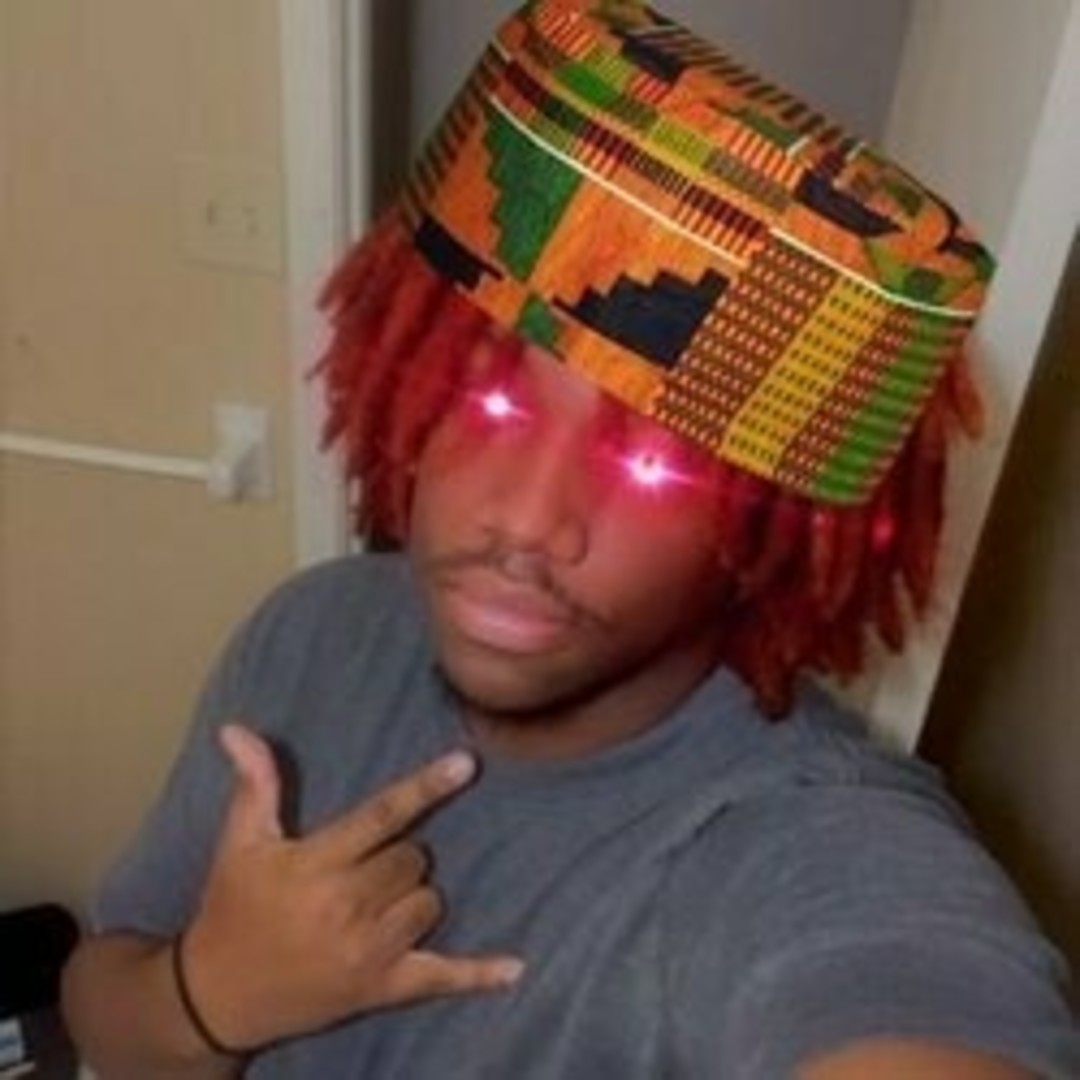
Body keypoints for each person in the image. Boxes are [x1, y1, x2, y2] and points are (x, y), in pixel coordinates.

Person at [62, 1, 1078, 1076]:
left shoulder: (806, 849)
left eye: (653, 465)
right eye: (494, 402)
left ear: (771, 527)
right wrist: (213, 993)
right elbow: (98, 1001)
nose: (525, 519)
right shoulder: (314, 630)